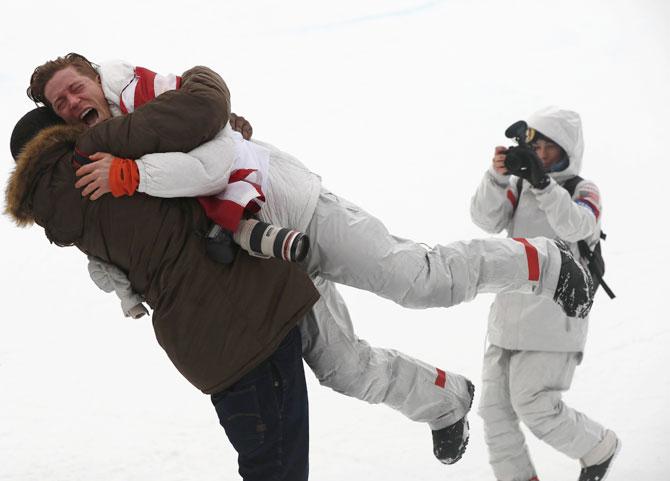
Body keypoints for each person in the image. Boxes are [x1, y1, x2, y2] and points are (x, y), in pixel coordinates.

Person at [26, 54, 594, 465]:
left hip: (294, 207)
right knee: (343, 369)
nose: (73, 102)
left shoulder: (149, 100)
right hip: (263, 263)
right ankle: (446, 400)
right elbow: (117, 243)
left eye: (76, 87)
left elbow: (220, 144)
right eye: (61, 103)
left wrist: (138, 171)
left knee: (417, 279)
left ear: (98, 78)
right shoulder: (94, 161)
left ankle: (541, 261)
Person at [6, 105, 319, 481]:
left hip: (202, 348)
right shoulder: (94, 156)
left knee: (266, 463)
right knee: (281, 465)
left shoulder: (58, 212)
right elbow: (189, 112)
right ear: (57, 133)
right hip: (250, 322)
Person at [470, 106, 619, 481]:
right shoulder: (519, 188)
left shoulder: (582, 190)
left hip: (555, 322)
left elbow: (575, 226)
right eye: (533, 145)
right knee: (494, 411)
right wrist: (496, 176)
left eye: (546, 148)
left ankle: (599, 447)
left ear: (566, 151)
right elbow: (485, 219)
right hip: (507, 316)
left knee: (535, 405)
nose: (537, 154)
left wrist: (543, 183)